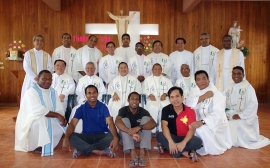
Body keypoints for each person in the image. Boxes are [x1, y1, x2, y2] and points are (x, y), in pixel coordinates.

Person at [15, 70, 66, 156]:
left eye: (50, 79)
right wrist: (57, 115)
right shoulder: (31, 92)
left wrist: (60, 116)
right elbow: (38, 110)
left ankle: (50, 142)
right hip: (31, 119)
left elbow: (58, 108)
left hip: (49, 116)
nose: (47, 81)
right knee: (41, 121)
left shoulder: (52, 91)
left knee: (58, 122)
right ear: (38, 79)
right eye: (44, 79)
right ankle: (37, 145)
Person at [62, 85, 119, 158]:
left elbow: (110, 123)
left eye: (94, 92)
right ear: (85, 95)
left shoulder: (104, 106)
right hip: (86, 136)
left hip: (102, 135)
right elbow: (72, 124)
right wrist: (66, 138)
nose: (92, 95)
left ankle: (83, 148)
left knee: (115, 136)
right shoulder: (81, 107)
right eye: (89, 93)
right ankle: (98, 151)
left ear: (97, 94)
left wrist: (115, 138)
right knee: (71, 137)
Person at [186, 70, 232, 155]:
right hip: (200, 120)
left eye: (204, 78)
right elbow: (188, 103)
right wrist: (203, 97)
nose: (201, 81)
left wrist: (202, 122)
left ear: (208, 79)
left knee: (201, 129)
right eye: (198, 79)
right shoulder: (194, 91)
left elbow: (218, 114)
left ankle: (204, 147)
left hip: (215, 122)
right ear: (195, 82)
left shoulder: (217, 94)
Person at [224, 66, 270, 149]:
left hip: (245, 116)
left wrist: (241, 116)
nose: (236, 76)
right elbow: (223, 100)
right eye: (234, 74)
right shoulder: (229, 87)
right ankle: (230, 141)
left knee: (238, 124)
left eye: (238, 74)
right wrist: (227, 113)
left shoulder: (248, 87)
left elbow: (253, 104)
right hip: (231, 113)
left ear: (243, 75)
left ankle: (239, 141)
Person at [156, 87, 202, 161]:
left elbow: (191, 129)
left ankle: (169, 148)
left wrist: (183, 142)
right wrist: (171, 142)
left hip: (185, 138)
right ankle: (186, 153)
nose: (175, 99)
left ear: (182, 97)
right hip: (172, 137)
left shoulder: (190, 110)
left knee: (198, 142)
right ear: (169, 99)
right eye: (172, 97)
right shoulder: (166, 109)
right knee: (159, 135)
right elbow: (164, 125)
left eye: (177, 96)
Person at [115, 92, 156, 166]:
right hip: (126, 139)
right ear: (128, 100)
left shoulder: (143, 111)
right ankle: (132, 152)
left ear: (139, 101)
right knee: (123, 120)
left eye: (137, 99)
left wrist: (139, 127)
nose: (134, 101)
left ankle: (142, 152)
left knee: (147, 119)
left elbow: (153, 123)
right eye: (132, 99)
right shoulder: (123, 110)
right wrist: (131, 132)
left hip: (140, 140)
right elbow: (117, 122)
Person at [20, 35, 53, 101]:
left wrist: (44, 78)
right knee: (29, 98)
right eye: (37, 40)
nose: (39, 42)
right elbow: (26, 66)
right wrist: (35, 77)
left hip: (43, 81)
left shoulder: (47, 55)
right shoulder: (28, 53)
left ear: (43, 43)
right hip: (31, 79)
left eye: (41, 41)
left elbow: (50, 67)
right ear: (33, 42)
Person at [143, 63, 173, 132]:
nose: (157, 70)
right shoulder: (147, 80)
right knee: (153, 107)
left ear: (161, 70)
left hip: (164, 99)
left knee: (166, 107)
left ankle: (162, 129)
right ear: (152, 70)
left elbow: (171, 90)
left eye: (159, 69)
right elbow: (144, 89)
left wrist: (165, 94)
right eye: (155, 69)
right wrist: (150, 94)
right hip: (152, 99)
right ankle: (152, 130)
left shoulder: (167, 80)